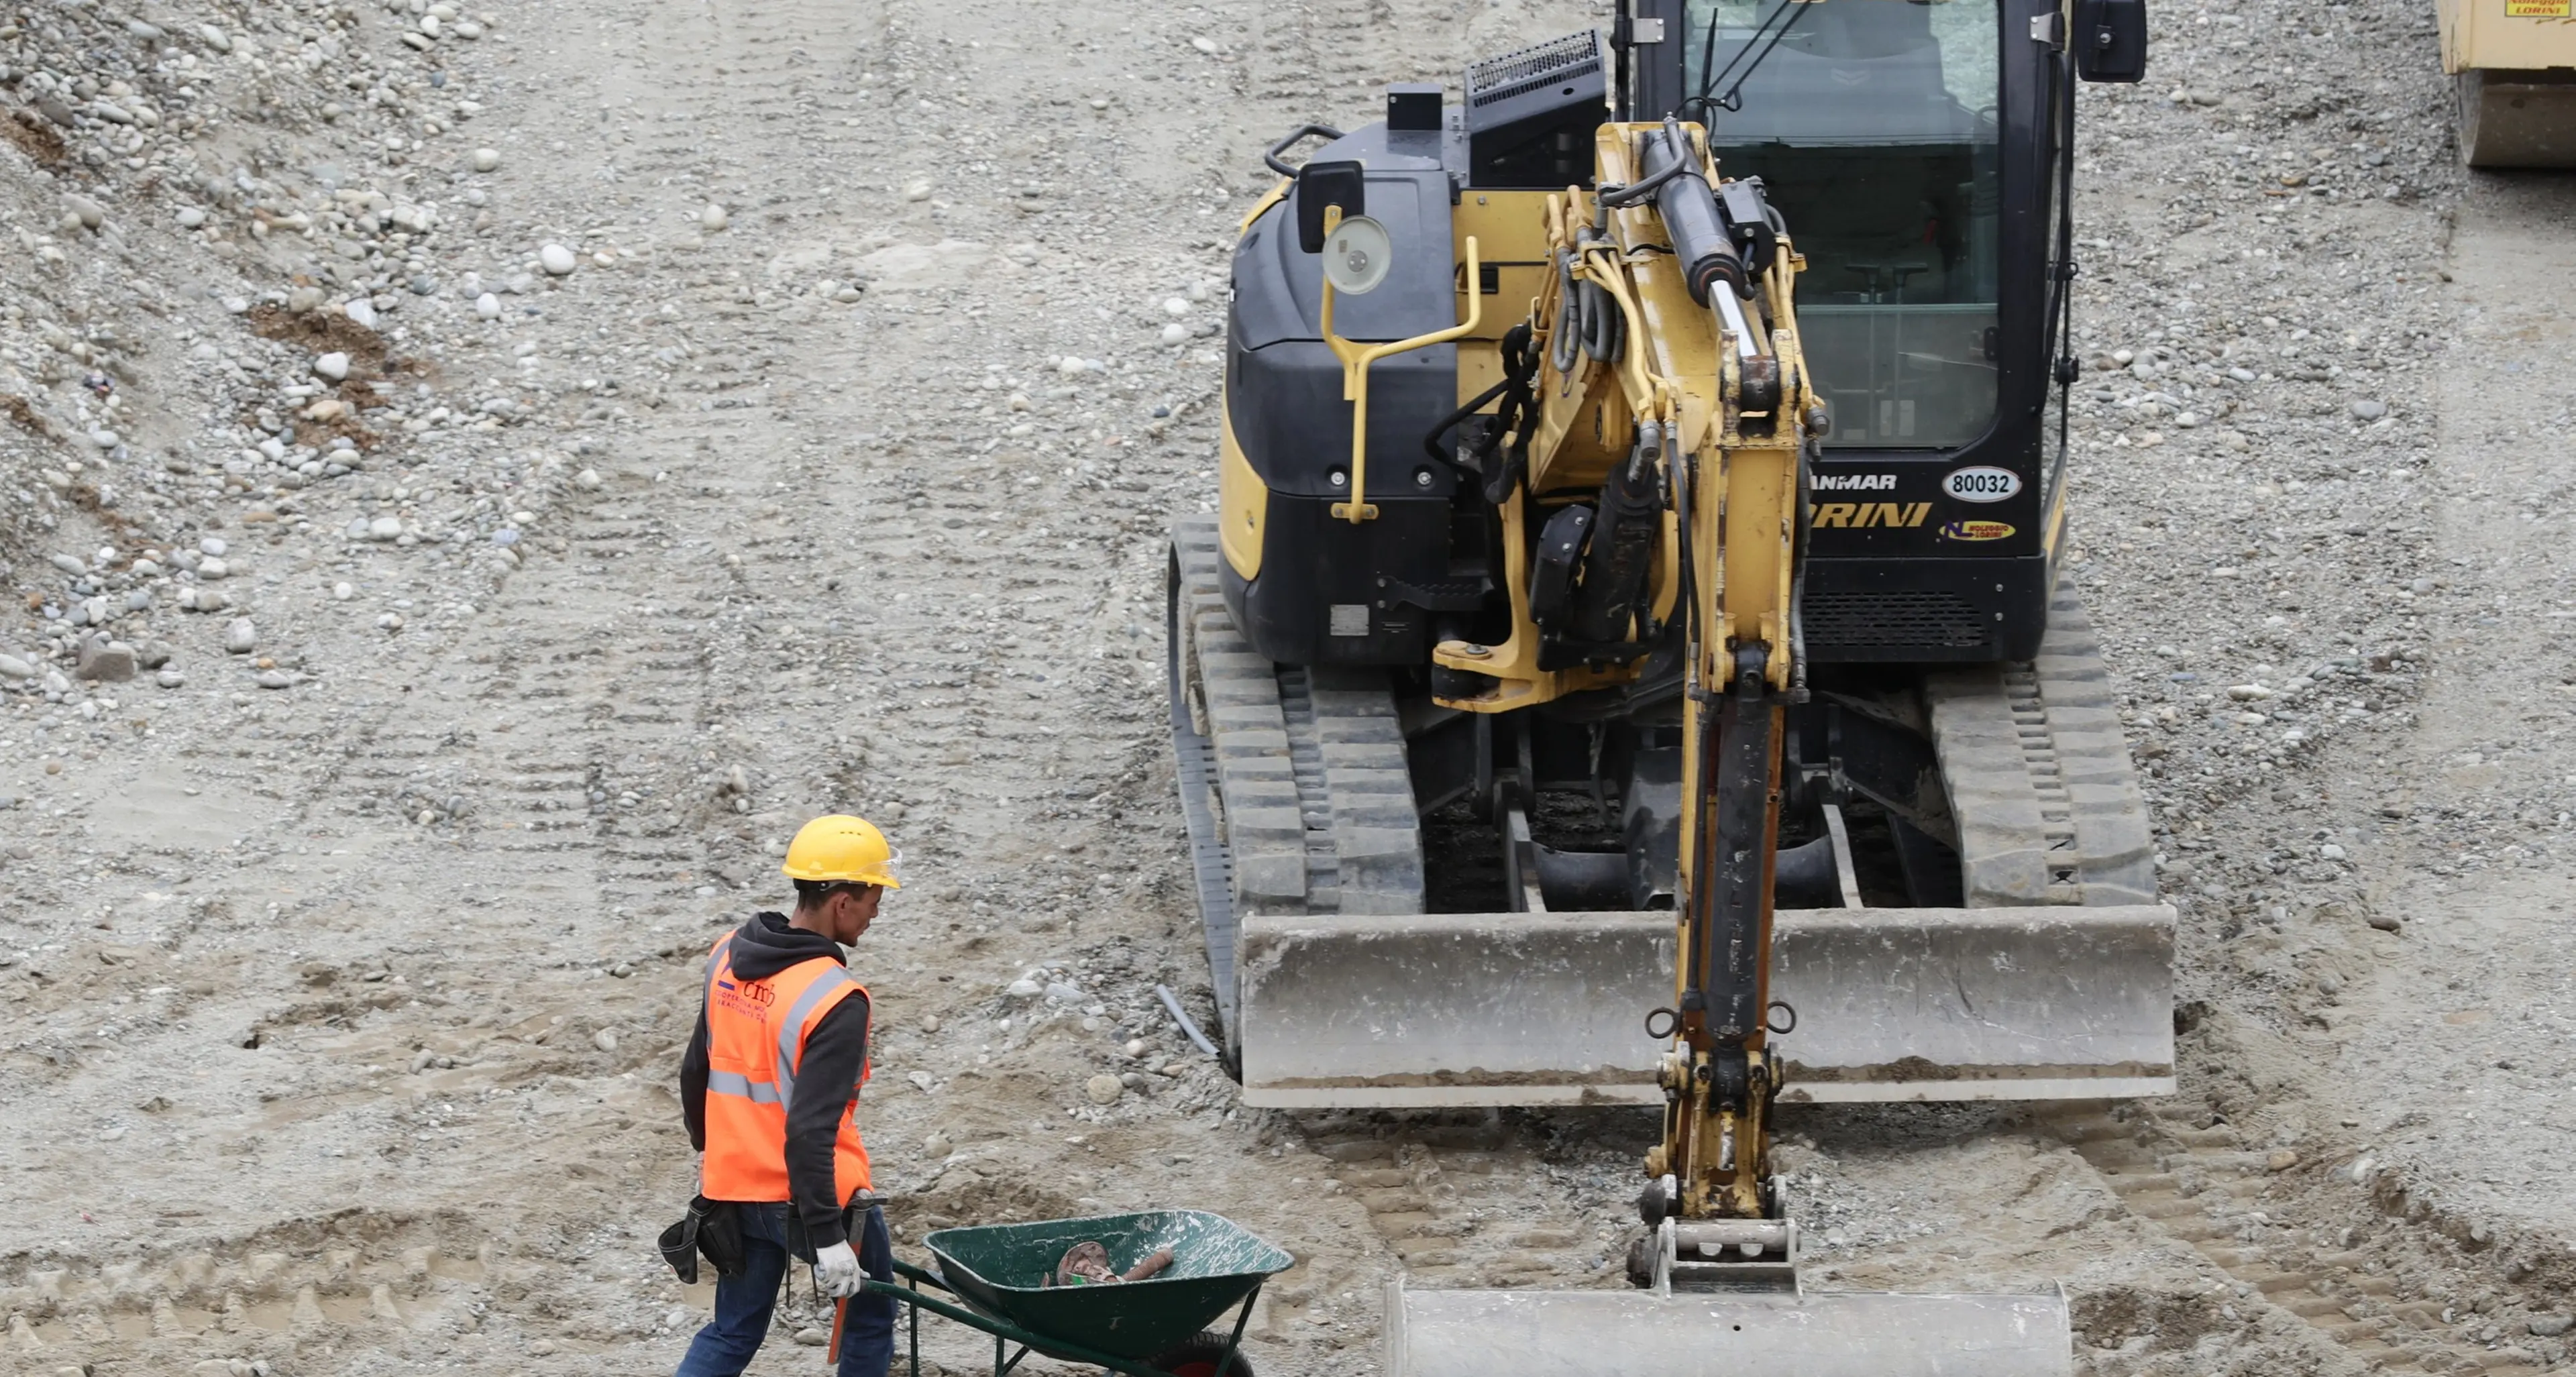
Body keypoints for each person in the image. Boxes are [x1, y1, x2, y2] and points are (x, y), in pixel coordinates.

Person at [674, 814, 903, 1377]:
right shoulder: (836, 997)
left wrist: (711, 1150)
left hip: (731, 1185)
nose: (878, 911)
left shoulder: (726, 954)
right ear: (842, 902)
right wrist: (827, 1237)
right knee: (871, 1316)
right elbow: (810, 1129)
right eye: (874, 896)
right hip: (815, 1197)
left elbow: (694, 1070)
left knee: (732, 1329)